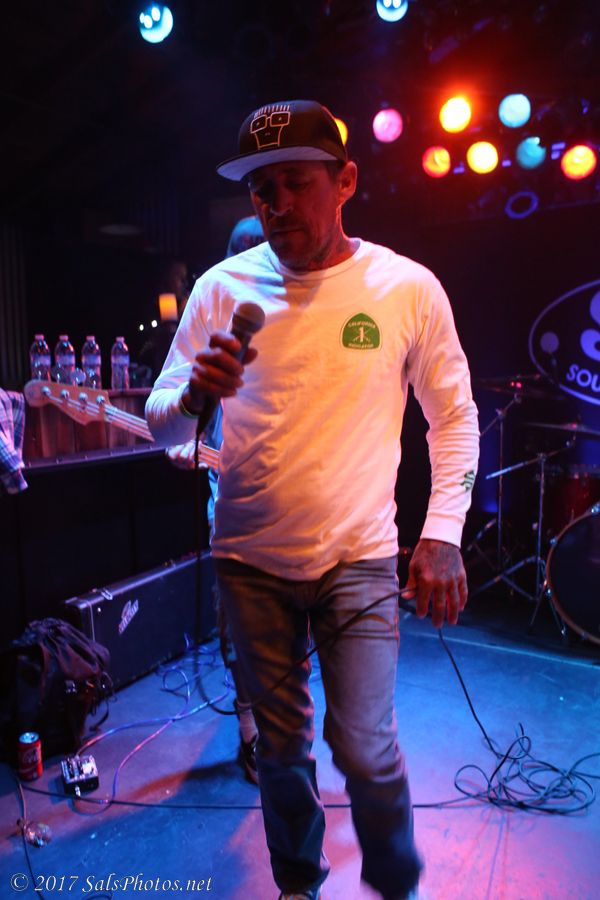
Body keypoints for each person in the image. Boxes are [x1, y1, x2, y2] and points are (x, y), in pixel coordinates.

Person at [146, 100, 479, 900]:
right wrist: (191, 396)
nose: (279, 204)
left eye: (297, 182)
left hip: (358, 558)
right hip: (249, 560)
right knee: (281, 748)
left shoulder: (405, 288)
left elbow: (454, 416)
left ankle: (396, 883)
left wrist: (442, 532)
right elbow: (162, 424)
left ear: (347, 181)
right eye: (263, 190)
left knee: (364, 745)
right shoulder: (222, 289)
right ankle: (299, 884)